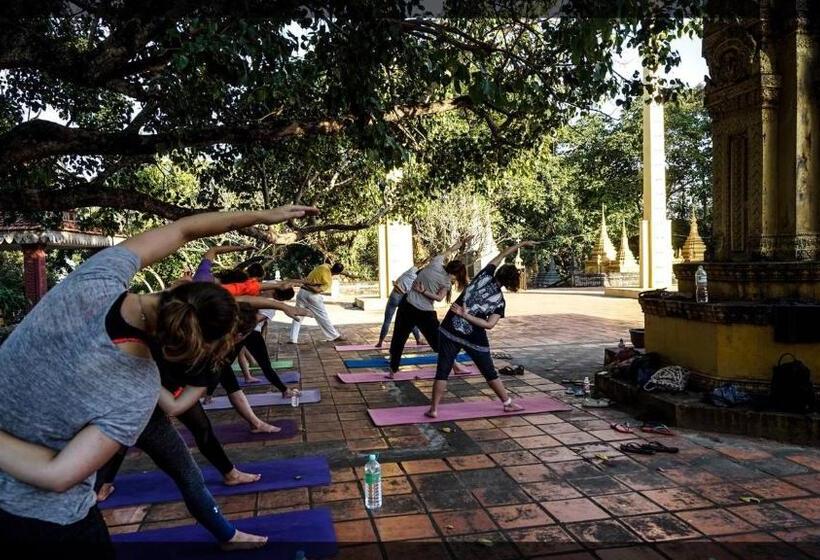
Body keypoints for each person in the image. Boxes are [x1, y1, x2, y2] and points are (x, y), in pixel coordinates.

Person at [0, 205, 318, 549]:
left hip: (35, 507)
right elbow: (57, 476)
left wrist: (261, 215)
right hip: (40, 522)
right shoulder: (138, 387)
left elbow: (184, 229)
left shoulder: (98, 277)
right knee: (179, 468)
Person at [425, 241, 536, 418]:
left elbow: (501, 255)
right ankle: (507, 403)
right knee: (488, 371)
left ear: (498, 272)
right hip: (473, 337)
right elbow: (489, 325)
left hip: (449, 329)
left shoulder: (483, 275)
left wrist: (522, 244)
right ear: (511, 283)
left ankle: (434, 409)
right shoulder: (499, 302)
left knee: (443, 370)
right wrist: (466, 316)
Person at [388, 235, 472, 377]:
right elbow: (439, 298)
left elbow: (449, 250)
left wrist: (461, 243)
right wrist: (425, 292)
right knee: (438, 342)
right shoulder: (446, 282)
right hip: (424, 313)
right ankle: (456, 366)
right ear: (456, 274)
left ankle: (392, 371)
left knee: (398, 338)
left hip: (407, 306)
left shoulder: (436, 262)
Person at [289, 261, 346, 344]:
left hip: (301, 293)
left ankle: (292, 339)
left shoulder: (324, 266)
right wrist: (308, 285)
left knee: (298, 315)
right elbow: (317, 290)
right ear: (337, 273)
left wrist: (304, 283)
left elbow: (312, 276)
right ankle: (334, 336)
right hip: (313, 296)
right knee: (322, 316)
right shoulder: (328, 280)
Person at [375, 261, 427, 349]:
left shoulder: (411, 271)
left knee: (387, 320)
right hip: (403, 298)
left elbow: (420, 263)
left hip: (394, 297)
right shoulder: (418, 282)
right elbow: (410, 294)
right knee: (411, 320)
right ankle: (418, 340)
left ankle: (380, 342)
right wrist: (401, 289)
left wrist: (397, 286)